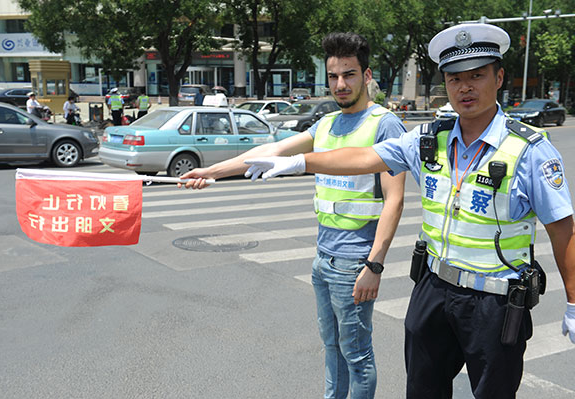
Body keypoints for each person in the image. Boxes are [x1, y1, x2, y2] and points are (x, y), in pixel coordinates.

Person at [244, 23, 575, 398]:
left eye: (476, 76)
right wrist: (301, 163)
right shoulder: (428, 139)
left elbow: (563, 230)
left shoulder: (529, 150)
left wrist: (574, 302)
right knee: (421, 389)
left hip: (494, 303)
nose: (465, 87)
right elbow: (366, 156)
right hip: (433, 290)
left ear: (498, 78)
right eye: (454, 78)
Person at [180, 32, 407, 398]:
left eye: (349, 75)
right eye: (333, 76)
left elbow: (395, 200)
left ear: (366, 76)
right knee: (332, 349)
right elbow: (271, 150)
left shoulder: (384, 124)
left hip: (355, 262)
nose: (340, 84)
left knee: (357, 356)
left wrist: (374, 265)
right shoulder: (327, 124)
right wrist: (210, 173)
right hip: (323, 259)